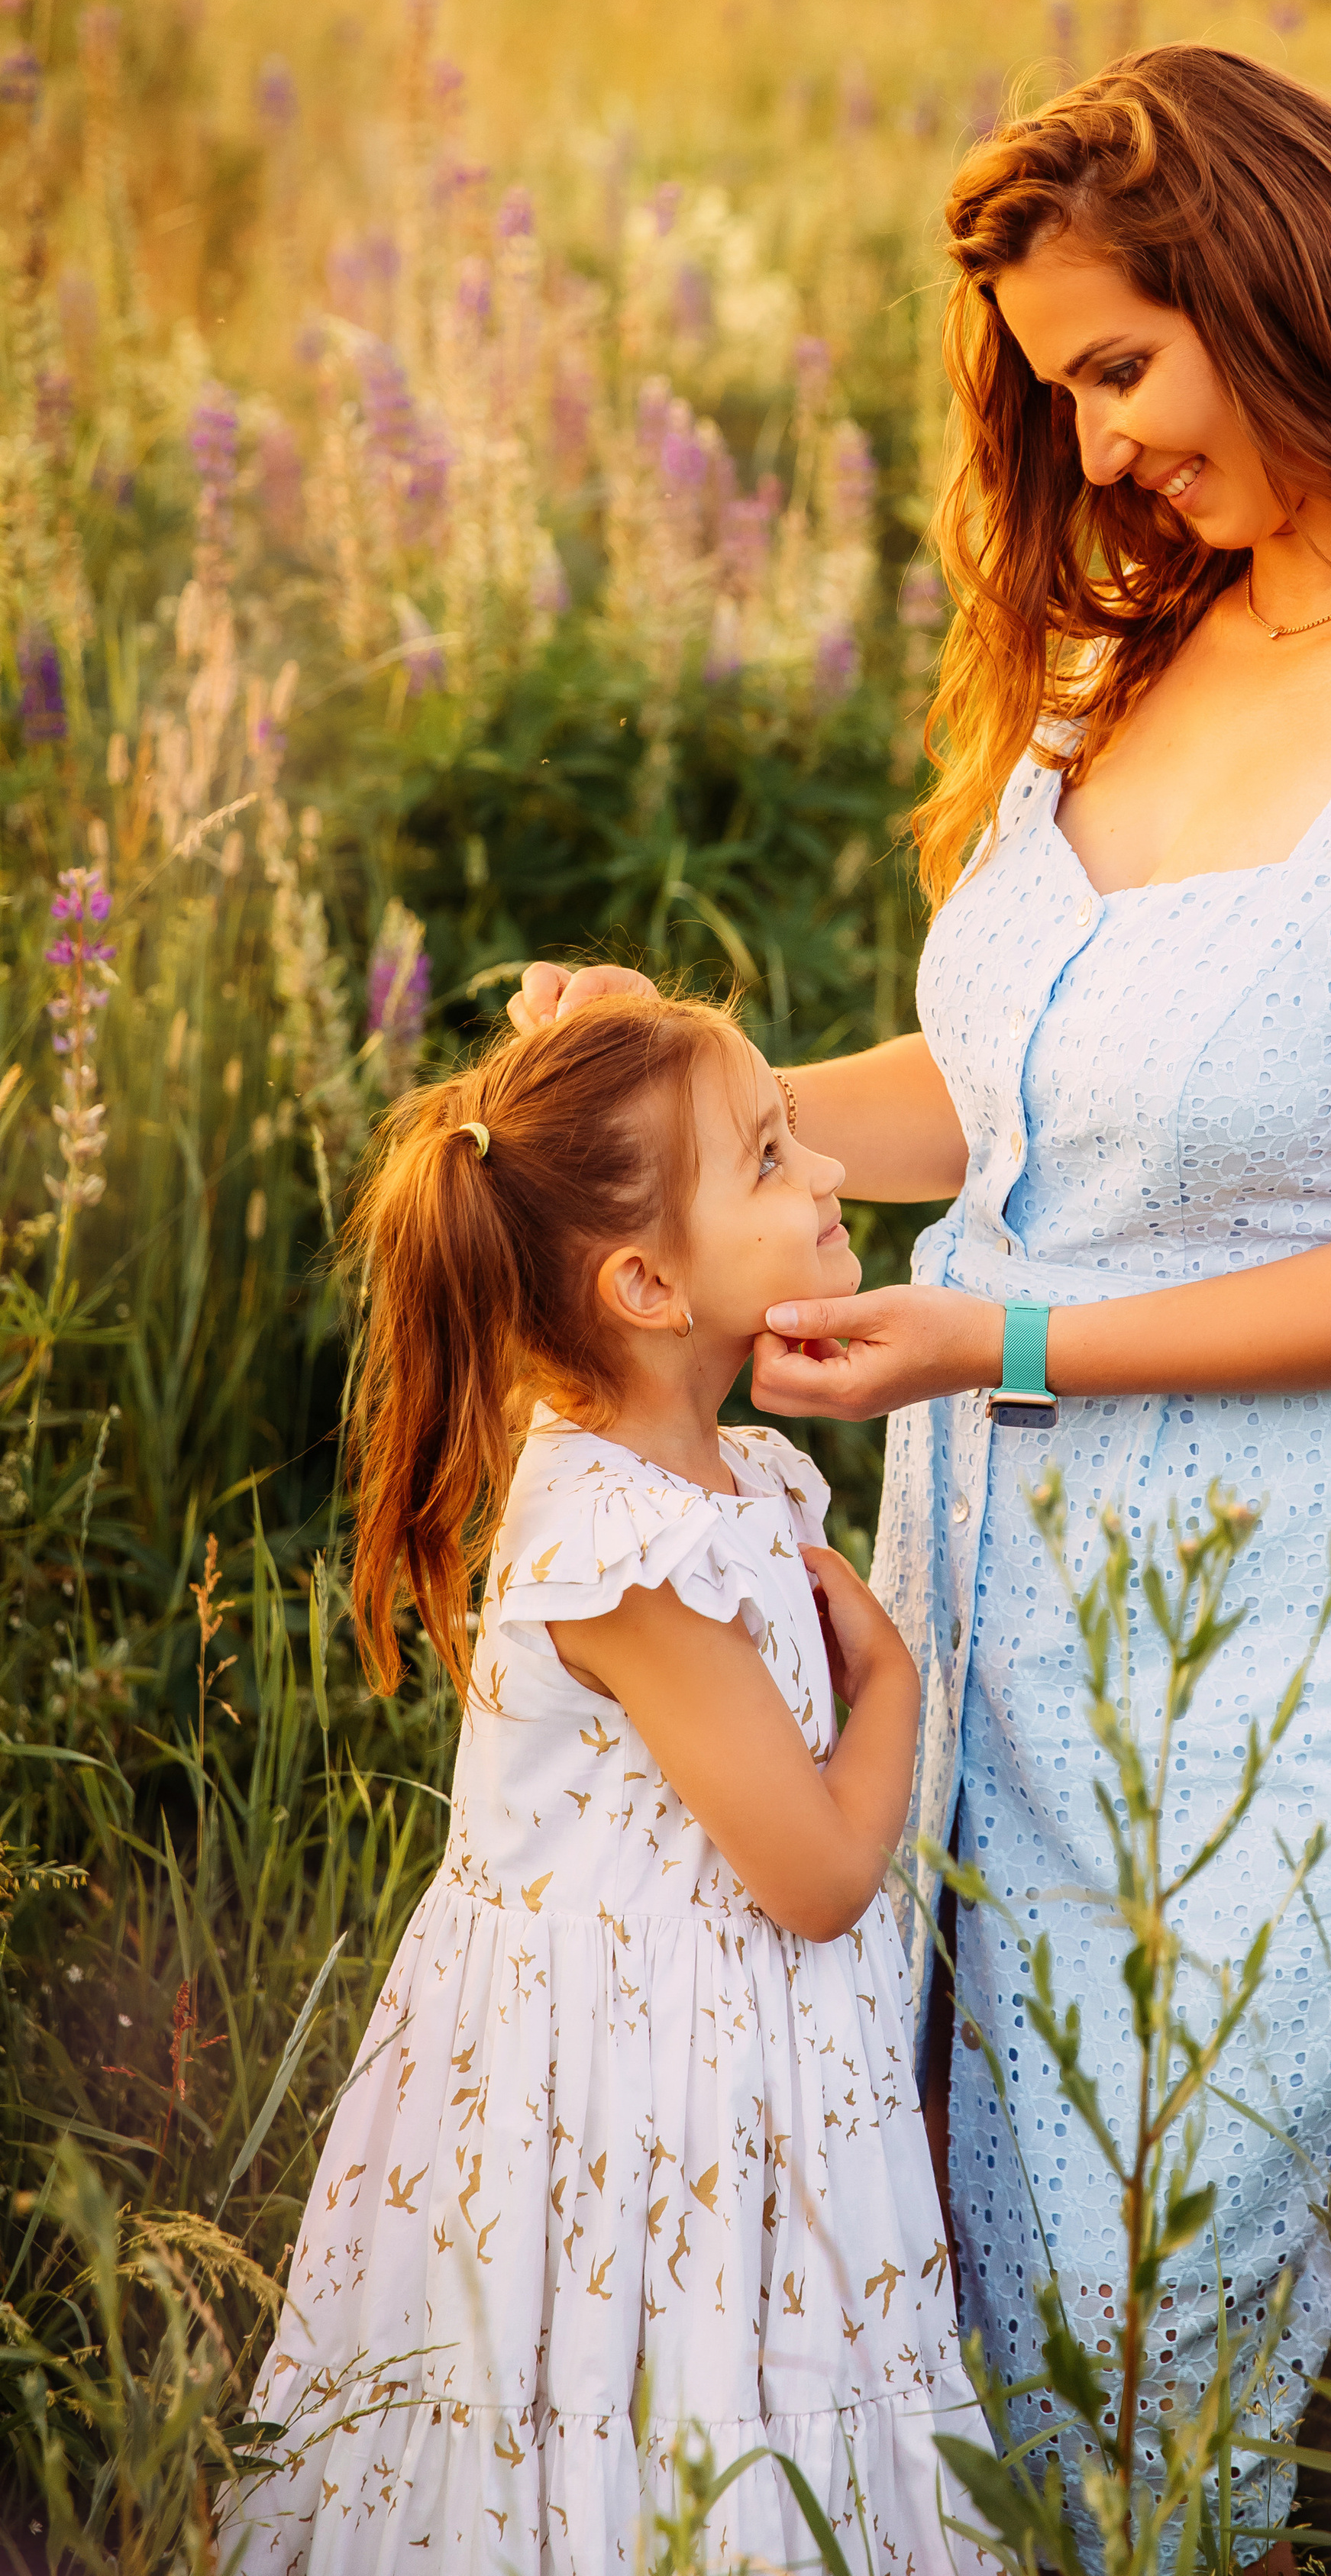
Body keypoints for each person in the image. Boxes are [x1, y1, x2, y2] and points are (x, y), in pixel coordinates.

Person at [510, 43, 1331, 2542]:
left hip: (1300, 1629)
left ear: (1278, 287)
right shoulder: (1133, 653)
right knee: (917, 2271)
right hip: (984, 1576)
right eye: (1062, 396)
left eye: (1121, 370)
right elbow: (994, 1097)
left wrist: (991, 1342)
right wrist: (693, 1092)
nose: (1103, 445)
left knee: (1152, 2335)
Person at [225, 994, 985, 2574]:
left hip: (683, 2055)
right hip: (638, 2096)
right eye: (772, 1159)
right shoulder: (639, 1561)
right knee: (641, 2407)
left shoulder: (693, 1476)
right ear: (643, 1284)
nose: (830, 1166)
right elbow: (821, 1876)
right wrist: (893, 1685)